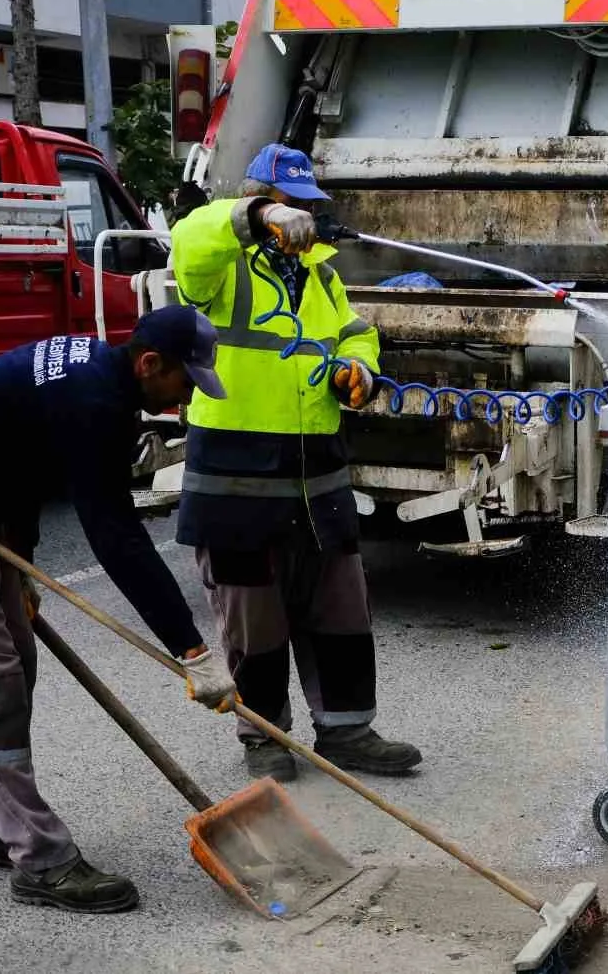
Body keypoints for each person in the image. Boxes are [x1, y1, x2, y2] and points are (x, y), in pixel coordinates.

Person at [0, 304, 247, 914]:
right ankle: (41, 861)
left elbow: (22, 456)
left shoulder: (100, 376)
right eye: (183, 384)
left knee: (18, 659)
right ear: (150, 364)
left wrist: (21, 559)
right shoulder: (96, 404)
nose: (185, 402)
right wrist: (191, 649)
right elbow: (116, 536)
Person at [168, 143, 422, 782]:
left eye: (308, 208)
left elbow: (355, 333)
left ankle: (348, 731)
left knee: (340, 611)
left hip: (318, 475)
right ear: (261, 203)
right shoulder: (223, 270)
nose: (303, 222)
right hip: (237, 476)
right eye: (292, 209)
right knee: (254, 621)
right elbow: (190, 240)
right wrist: (254, 218)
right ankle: (264, 738)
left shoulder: (323, 277)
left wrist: (359, 369)